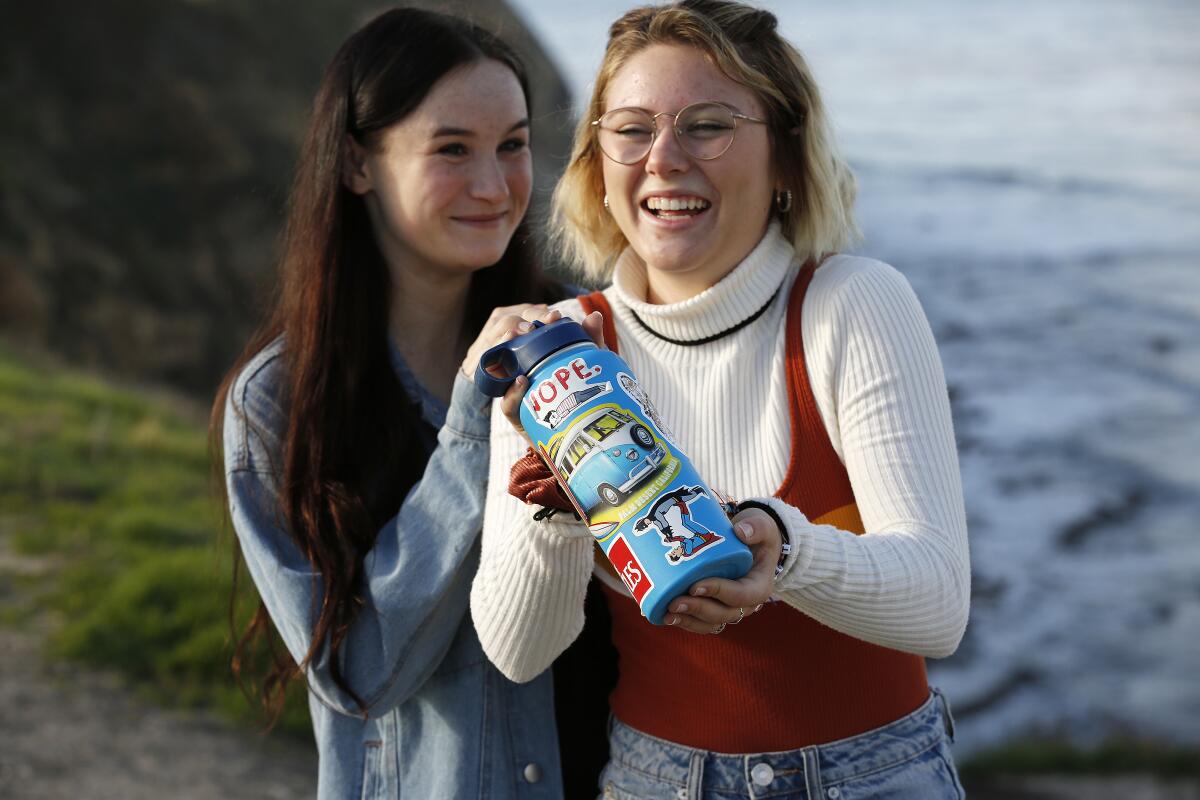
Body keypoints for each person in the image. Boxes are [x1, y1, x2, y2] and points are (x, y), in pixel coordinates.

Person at [470, 1, 971, 798]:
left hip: (874, 777)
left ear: (784, 156)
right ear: (598, 161)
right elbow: (518, 650)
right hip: (656, 780)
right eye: (631, 128)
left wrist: (785, 550)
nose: (664, 158)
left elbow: (938, 604)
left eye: (707, 125)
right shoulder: (560, 350)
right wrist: (554, 513)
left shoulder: (851, 304)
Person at [211, 8, 571, 798]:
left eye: (512, 145)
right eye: (451, 149)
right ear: (356, 163)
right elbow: (357, 674)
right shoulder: (275, 404)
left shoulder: (582, 342)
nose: (494, 185)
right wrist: (477, 423)